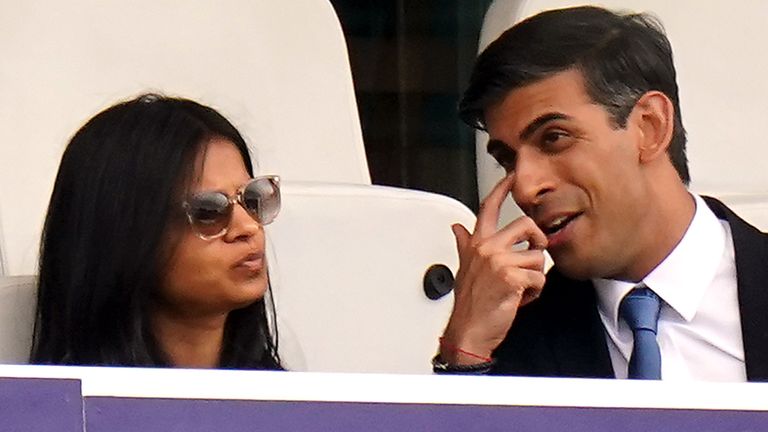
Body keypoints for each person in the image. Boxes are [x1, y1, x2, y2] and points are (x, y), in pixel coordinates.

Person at [434, 6, 768, 381]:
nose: (526, 189)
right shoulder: (509, 341)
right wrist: (463, 353)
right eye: (509, 160)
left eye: (554, 138)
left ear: (650, 126)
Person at [31, 94, 282, 370]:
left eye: (253, 199)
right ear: (123, 236)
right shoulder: (64, 411)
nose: (248, 227)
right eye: (209, 211)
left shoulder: (296, 406)